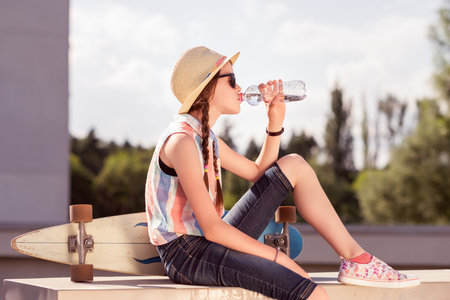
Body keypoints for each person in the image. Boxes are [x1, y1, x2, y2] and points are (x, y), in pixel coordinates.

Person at [145, 46, 420, 300]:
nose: (239, 87)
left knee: (294, 164)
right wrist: (279, 258)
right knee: (312, 293)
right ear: (207, 89)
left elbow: (256, 172)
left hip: (210, 240)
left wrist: (274, 123)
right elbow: (212, 228)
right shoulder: (182, 141)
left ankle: (356, 260)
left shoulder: (205, 137)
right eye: (231, 79)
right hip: (187, 254)